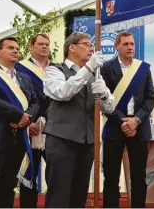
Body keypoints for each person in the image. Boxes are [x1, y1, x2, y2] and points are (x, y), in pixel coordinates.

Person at [43, 32, 116, 208]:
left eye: (91, 45)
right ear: (72, 47)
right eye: (86, 44)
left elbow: (110, 108)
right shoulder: (55, 70)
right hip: (61, 141)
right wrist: (88, 69)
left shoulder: (95, 76)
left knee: (79, 195)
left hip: (87, 141)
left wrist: (105, 95)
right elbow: (63, 93)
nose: (91, 48)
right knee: (59, 195)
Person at [100, 31, 154, 208]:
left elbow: (150, 98)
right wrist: (123, 122)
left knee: (139, 176)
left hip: (139, 127)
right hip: (115, 127)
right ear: (117, 46)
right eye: (125, 44)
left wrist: (136, 120)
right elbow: (104, 99)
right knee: (111, 176)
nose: (130, 47)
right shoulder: (107, 68)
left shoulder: (143, 69)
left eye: (132, 44)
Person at [0, 37, 39, 208]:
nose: (15, 51)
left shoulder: (24, 78)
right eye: (10, 48)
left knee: (8, 186)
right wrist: (18, 115)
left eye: (17, 48)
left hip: (18, 139)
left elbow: (35, 102)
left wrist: (26, 117)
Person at [15, 34, 54, 208]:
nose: (44, 47)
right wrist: (26, 122)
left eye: (47, 44)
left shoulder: (57, 68)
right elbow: (16, 98)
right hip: (31, 127)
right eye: (40, 44)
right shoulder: (20, 68)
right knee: (29, 173)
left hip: (55, 128)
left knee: (56, 175)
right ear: (31, 46)